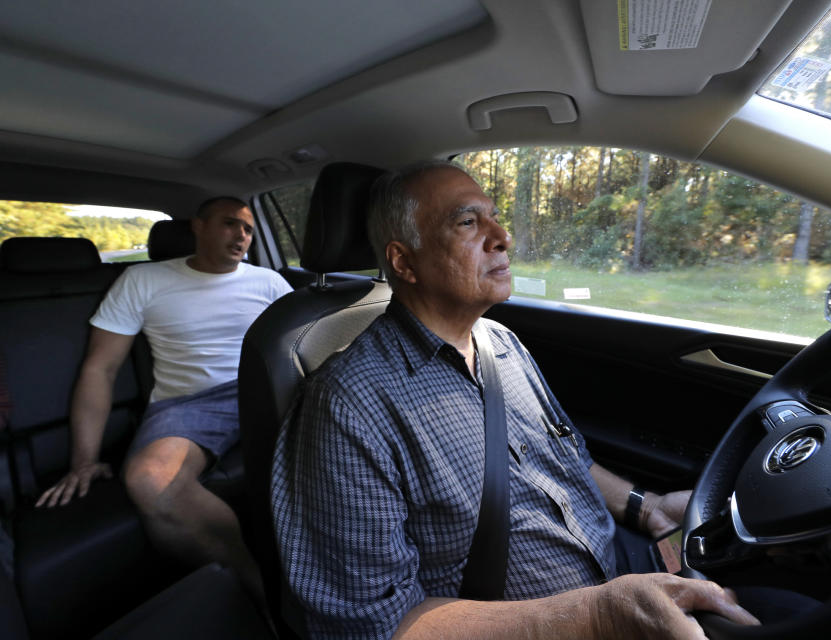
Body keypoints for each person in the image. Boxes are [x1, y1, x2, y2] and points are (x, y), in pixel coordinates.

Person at [271, 162, 759, 639]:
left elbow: (565, 457)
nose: (502, 235)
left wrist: (648, 507)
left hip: (626, 573)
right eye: (467, 222)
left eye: (493, 215)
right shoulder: (347, 406)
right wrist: (599, 616)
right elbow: (370, 626)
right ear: (403, 261)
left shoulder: (502, 343)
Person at [36, 197, 293, 607]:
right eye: (230, 224)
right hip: (190, 404)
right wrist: (83, 460)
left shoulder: (270, 282)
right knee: (152, 482)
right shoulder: (143, 280)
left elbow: (296, 348)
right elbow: (100, 369)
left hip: (265, 386)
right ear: (198, 227)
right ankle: (264, 590)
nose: (242, 236)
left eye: (248, 229)